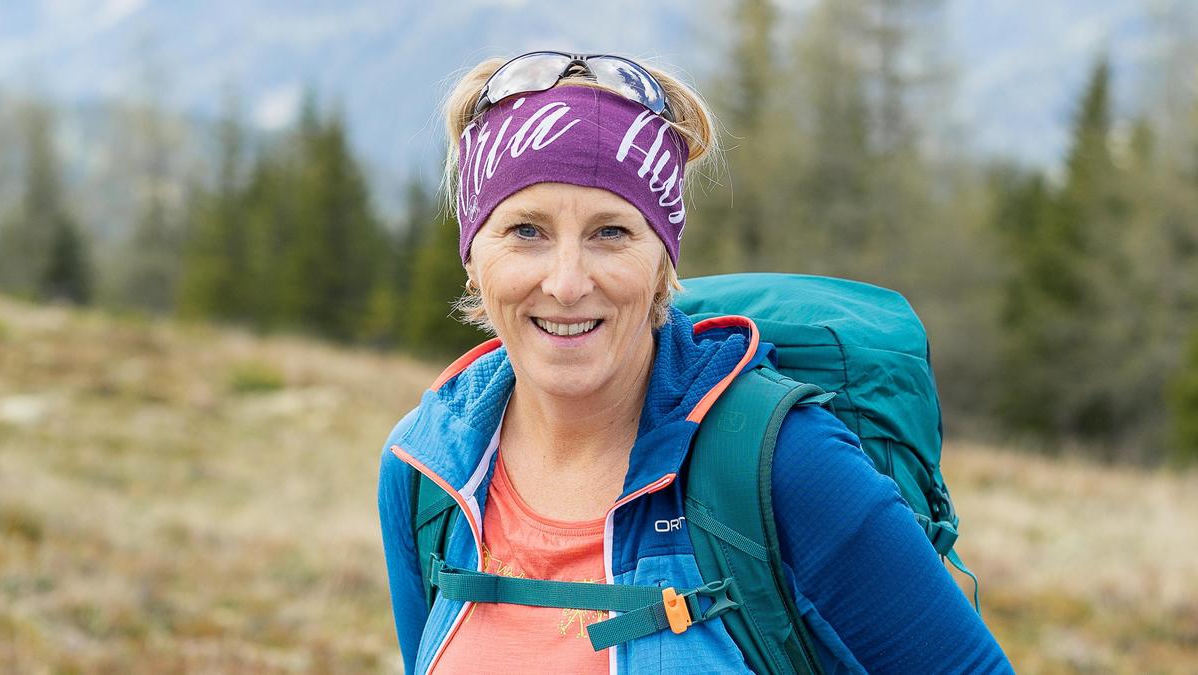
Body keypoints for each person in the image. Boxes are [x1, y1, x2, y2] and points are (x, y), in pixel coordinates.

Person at [378, 51, 1013, 674]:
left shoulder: (781, 462)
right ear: (471, 253)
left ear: (663, 261)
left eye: (611, 233)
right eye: (525, 231)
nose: (567, 283)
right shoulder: (426, 470)